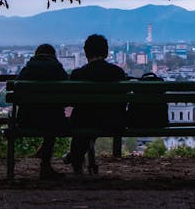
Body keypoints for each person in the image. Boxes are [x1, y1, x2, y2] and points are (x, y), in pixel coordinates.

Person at [64, 34, 127, 174]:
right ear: (105, 52)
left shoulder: (78, 74)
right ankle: (75, 156)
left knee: (84, 120)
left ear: (86, 53)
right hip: (112, 121)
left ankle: (75, 157)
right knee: (93, 117)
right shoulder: (117, 73)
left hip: (83, 120)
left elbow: (69, 101)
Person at [16, 43, 68, 180]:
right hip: (54, 121)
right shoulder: (58, 70)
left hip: (26, 120)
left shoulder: (27, 70)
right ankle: (45, 165)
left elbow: (17, 93)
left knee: (48, 117)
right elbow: (67, 96)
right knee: (51, 119)